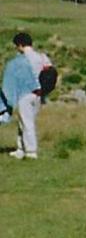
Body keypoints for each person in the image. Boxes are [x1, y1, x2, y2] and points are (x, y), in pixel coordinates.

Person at [3, 31, 49, 159]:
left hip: (25, 93)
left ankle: (30, 151)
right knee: (25, 121)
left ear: (20, 45)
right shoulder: (41, 57)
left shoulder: (21, 59)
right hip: (39, 94)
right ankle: (21, 148)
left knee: (26, 122)